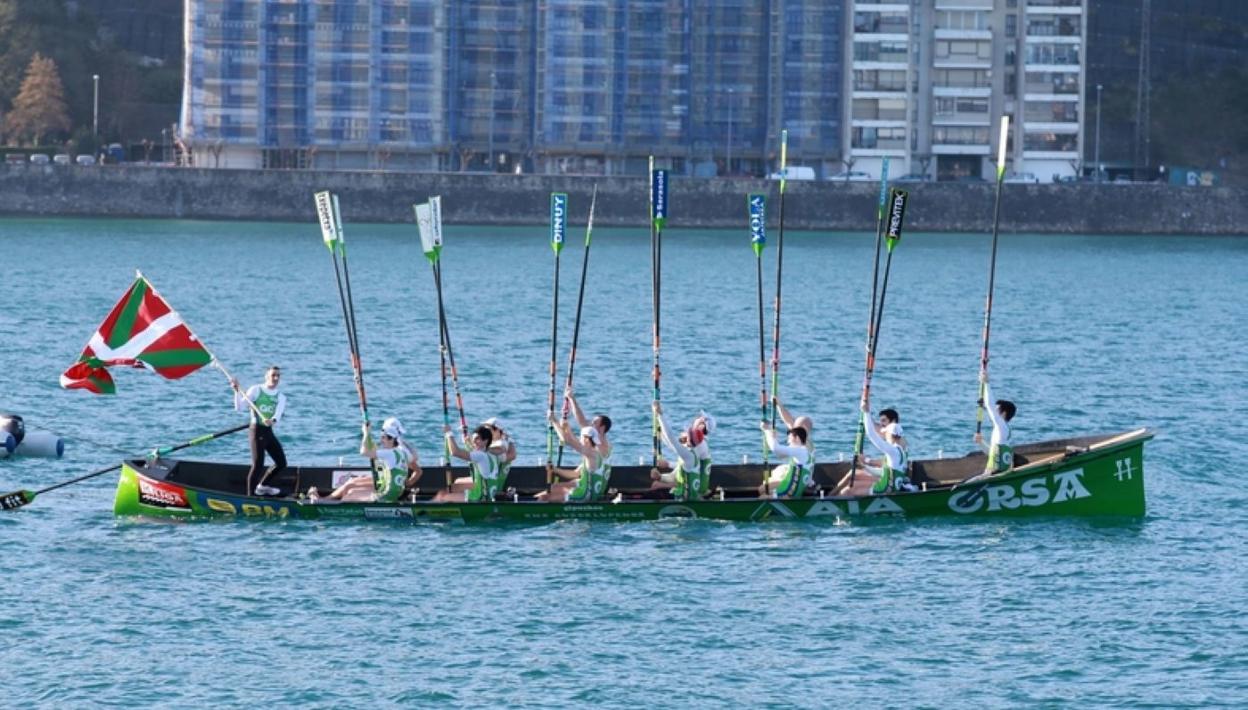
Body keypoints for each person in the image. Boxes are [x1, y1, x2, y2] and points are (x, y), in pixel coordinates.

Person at [311, 418, 421, 503]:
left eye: (383, 437)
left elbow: (363, 452)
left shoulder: (388, 453)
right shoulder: (403, 452)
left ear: (390, 439)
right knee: (350, 484)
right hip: (388, 485)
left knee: (349, 495)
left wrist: (365, 433)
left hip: (386, 494)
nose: (381, 439)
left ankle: (321, 502)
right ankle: (324, 499)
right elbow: (415, 457)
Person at [230, 366, 287, 496]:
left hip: (268, 431)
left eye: (278, 375)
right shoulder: (256, 390)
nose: (276, 378)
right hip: (256, 431)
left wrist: (272, 420)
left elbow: (277, 415)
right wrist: (236, 391)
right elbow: (239, 407)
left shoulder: (281, 396)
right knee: (258, 465)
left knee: (282, 463)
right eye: (273, 375)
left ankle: (262, 486)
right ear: (266, 376)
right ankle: (250, 496)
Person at [846, 400, 916, 495]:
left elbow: (872, 432)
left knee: (851, 485)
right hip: (889, 477)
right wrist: (866, 412)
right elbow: (888, 463)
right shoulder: (897, 438)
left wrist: (866, 412)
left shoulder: (897, 444)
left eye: (884, 421)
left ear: (893, 421)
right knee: (851, 475)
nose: (881, 425)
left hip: (890, 481)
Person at [650, 402, 715, 501]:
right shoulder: (693, 450)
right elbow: (673, 444)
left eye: (700, 418)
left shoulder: (693, 452)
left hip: (686, 497)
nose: (697, 417)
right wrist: (661, 477)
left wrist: (660, 414)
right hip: (688, 491)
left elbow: (673, 441)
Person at [537, 415, 606, 502]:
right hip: (586, 490)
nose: (579, 439)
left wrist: (554, 421)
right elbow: (575, 474)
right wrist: (554, 469)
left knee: (545, 498)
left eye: (581, 437)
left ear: (587, 440)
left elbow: (567, 440)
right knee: (553, 488)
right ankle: (535, 500)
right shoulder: (593, 454)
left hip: (584, 494)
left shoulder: (590, 454)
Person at [433, 425, 509, 503]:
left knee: (442, 496)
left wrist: (449, 433)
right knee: (456, 483)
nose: (473, 441)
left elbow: (455, 452)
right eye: (473, 439)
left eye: (477, 439)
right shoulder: (492, 454)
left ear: (485, 441)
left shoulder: (480, 456)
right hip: (488, 493)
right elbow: (471, 448)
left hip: (480, 497)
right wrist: (465, 435)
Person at [564, 387, 613, 496]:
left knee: (558, 491)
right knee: (557, 487)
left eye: (594, 423)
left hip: (596, 490)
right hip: (590, 482)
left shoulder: (603, 446)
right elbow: (582, 422)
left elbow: (582, 424)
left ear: (602, 428)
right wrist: (571, 399)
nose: (590, 424)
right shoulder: (598, 441)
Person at [973, 374, 1017, 475]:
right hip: (992, 473)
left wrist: (986, 383)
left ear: (1004, 413)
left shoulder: (1002, 427)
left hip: (994, 474)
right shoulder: (1001, 431)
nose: (993, 411)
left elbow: (989, 405)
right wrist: (981, 442)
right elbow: (992, 454)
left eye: (997, 409)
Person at [759, 422, 812, 498]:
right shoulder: (804, 452)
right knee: (762, 490)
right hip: (791, 486)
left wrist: (767, 430)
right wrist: (773, 437)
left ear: (797, 438)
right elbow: (780, 455)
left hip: (790, 492)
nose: (788, 442)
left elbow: (775, 448)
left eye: (789, 439)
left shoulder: (800, 450)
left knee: (762, 497)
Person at [482, 417, 517, 491]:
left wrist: (483, 448)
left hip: (492, 486)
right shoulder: (502, 441)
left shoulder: (501, 443)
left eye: (488, 430)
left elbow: (501, 448)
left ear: (497, 430)